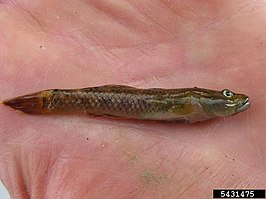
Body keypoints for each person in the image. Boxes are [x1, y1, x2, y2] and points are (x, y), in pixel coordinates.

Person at [0, 1, 265, 198]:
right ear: (200, 100)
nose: (232, 99)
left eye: (229, 96)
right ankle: (49, 101)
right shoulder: (193, 101)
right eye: (227, 96)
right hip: (117, 99)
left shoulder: (195, 104)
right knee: (92, 100)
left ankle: (50, 102)